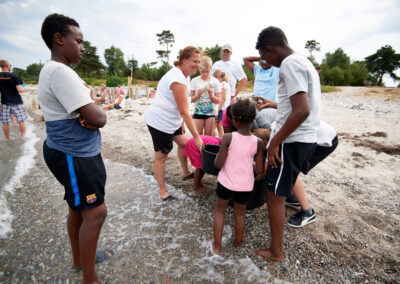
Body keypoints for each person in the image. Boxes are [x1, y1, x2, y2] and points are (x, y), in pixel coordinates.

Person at [38, 13, 110, 284]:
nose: (82, 47)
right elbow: (98, 118)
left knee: (77, 208)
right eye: (78, 41)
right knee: (95, 212)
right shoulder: (60, 71)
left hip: (69, 150)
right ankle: (89, 279)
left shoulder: (54, 70)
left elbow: (91, 113)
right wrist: (96, 116)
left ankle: (80, 261)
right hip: (74, 154)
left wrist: (93, 114)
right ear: (59, 39)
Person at [254, 26, 321, 261]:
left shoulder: (290, 64)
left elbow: (302, 110)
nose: (266, 62)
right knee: (279, 190)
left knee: (274, 195)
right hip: (302, 138)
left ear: (270, 49)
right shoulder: (303, 61)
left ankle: (276, 251)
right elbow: (295, 104)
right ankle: (276, 248)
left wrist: (275, 142)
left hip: (291, 140)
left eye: (265, 56)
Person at [145, 46, 204, 201]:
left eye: (199, 61)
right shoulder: (177, 78)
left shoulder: (186, 74)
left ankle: (185, 172)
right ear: (184, 60)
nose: (197, 65)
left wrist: (181, 125)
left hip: (172, 120)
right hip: (160, 122)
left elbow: (180, 106)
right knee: (161, 156)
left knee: (184, 143)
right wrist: (197, 137)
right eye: (194, 61)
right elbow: (185, 111)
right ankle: (163, 192)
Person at [212, 98, 265, 255]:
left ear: (234, 119)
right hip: (246, 185)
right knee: (240, 213)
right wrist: (248, 164)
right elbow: (260, 169)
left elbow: (218, 164)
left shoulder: (228, 138)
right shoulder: (259, 142)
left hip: (225, 183)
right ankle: (237, 242)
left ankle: (217, 247)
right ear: (253, 119)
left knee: (220, 211)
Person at [286, 121, 338, 227]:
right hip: (314, 137)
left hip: (324, 142)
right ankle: (292, 196)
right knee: (290, 170)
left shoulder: (270, 122)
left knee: (290, 173)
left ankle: (307, 212)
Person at [190, 56, 221, 136]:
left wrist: (212, 95)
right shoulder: (194, 81)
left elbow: (218, 101)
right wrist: (198, 95)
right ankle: (199, 149)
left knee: (208, 136)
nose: (205, 74)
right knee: (198, 136)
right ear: (199, 69)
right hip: (198, 112)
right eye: (202, 71)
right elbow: (190, 99)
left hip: (210, 113)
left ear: (211, 68)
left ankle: (206, 149)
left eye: (207, 71)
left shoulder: (215, 81)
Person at [0, 59, 26, 140]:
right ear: (8, 66)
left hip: (4, 103)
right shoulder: (14, 76)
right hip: (16, 102)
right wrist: (23, 87)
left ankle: (7, 139)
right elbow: (20, 90)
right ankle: (23, 137)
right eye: (10, 65)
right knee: (21, 121)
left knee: (5, 123)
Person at [212, 69, 230, 138]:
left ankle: (212, 140)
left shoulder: (222, 84)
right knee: (219, 126)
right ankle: (221, 140)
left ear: (219, 77)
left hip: (221, 108)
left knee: (212, 126)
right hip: (224, 108)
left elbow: (223, 98)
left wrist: (217, 109)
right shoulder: (225, 84)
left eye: (215, 78)